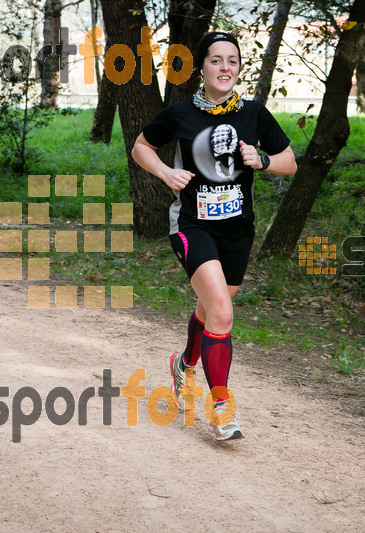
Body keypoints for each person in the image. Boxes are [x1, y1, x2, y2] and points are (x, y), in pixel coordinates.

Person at [131, 32, 297, 441]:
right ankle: (221, 407)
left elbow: (290, 163)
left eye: (233, 61)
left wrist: (263, 160)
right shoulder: (181, 113)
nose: (225, 68)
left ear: (239, 68)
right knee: (222, 312)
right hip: (192, 224)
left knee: (211, 311)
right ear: (201, 67)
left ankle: (183, 365)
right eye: (216, 60)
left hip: (238, 231)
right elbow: (141, 146)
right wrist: (166, 173)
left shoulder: (255, 114)